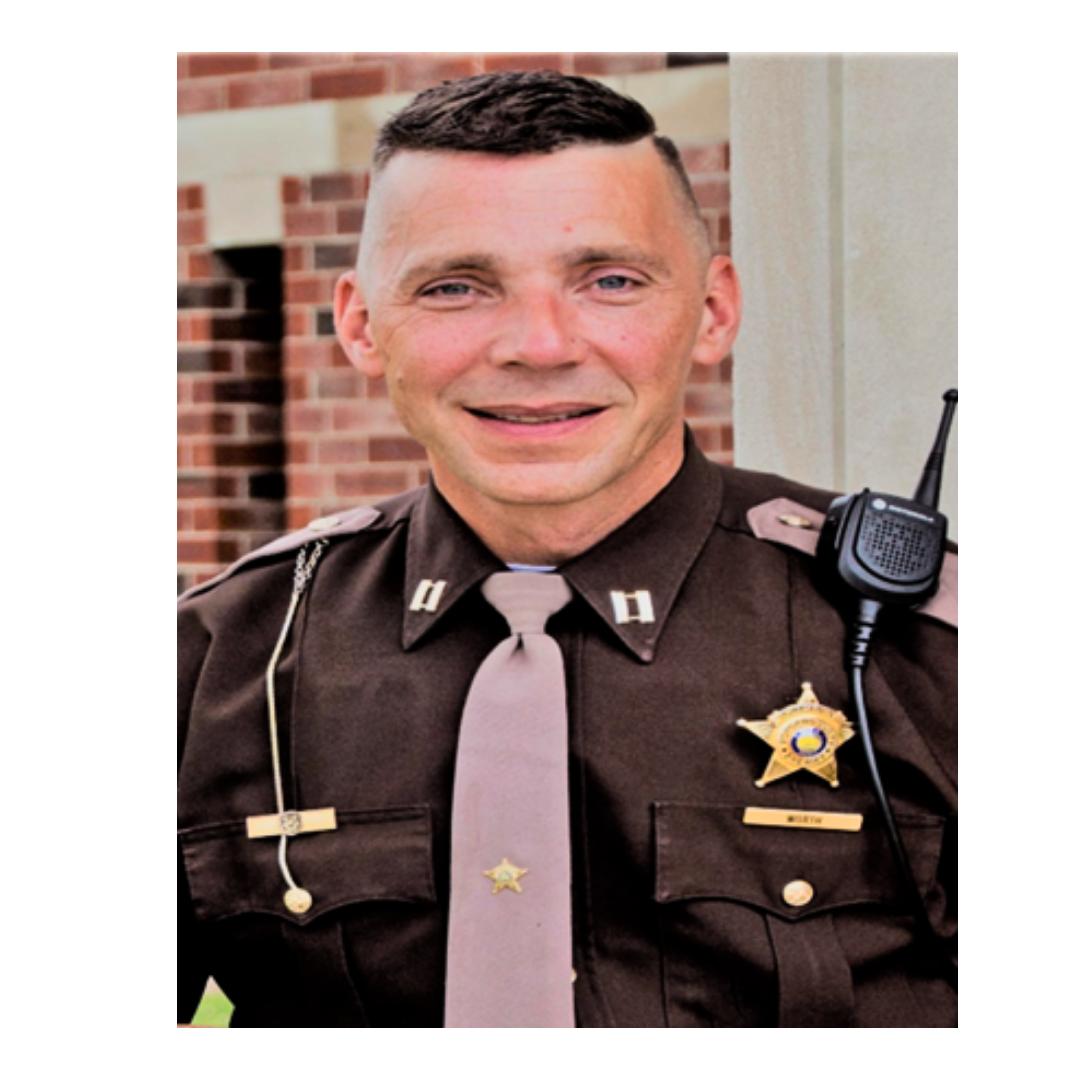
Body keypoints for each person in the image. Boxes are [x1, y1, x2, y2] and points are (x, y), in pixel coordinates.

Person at [177, 70, 957, 1051]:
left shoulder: (934, 648)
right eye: (457, 286)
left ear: (713, 311)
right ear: (362, 325)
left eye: (610, 281)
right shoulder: (220, 662)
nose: (539, 344)